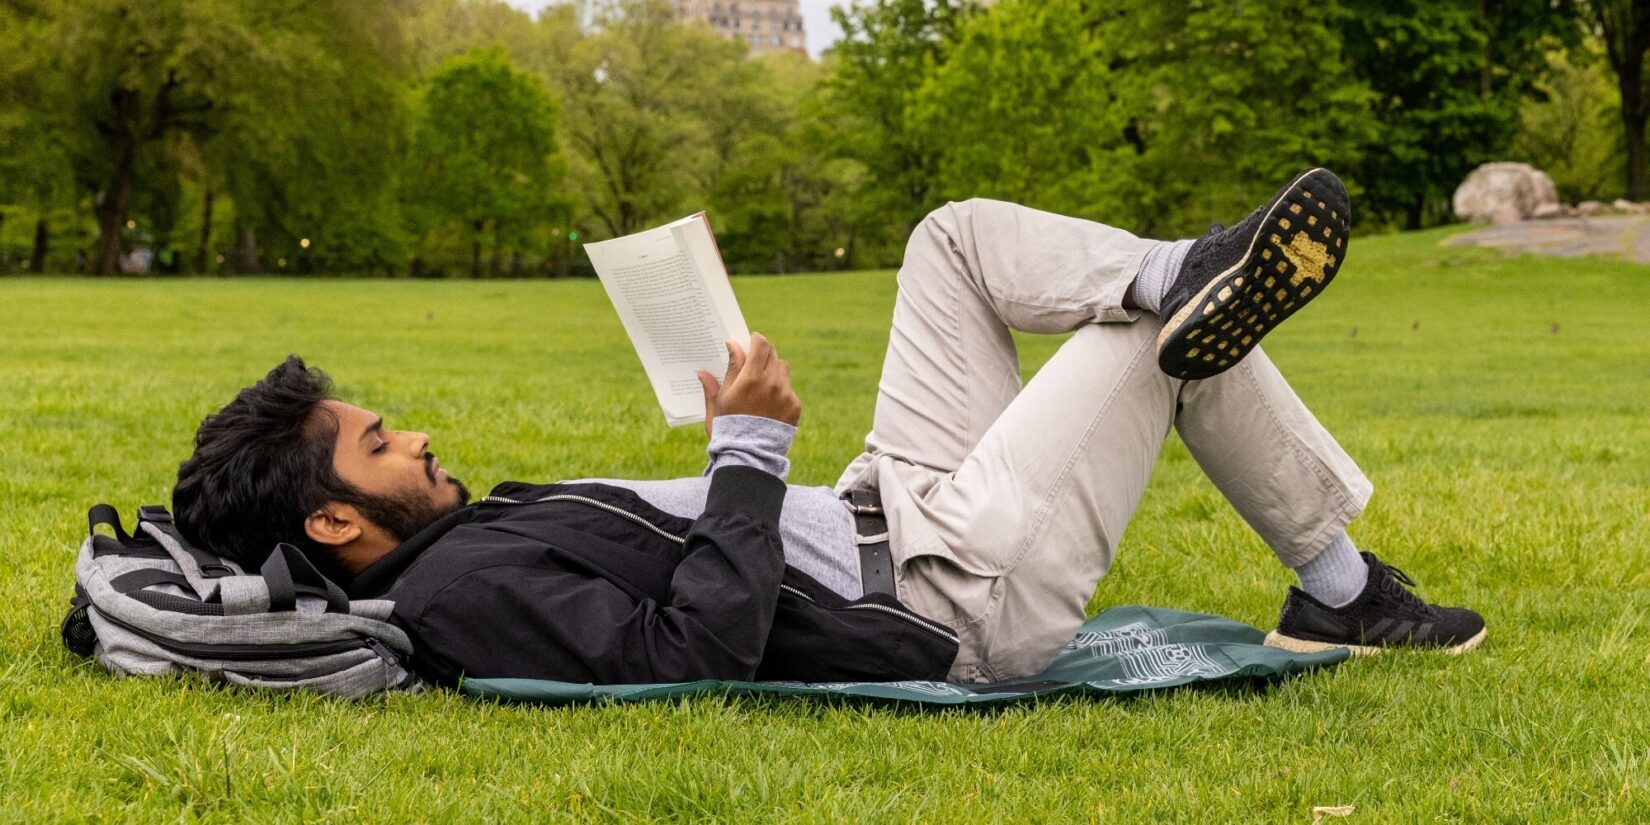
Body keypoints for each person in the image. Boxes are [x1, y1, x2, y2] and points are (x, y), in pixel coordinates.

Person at [171, 168, 1484, 687]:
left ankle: (1177, 269)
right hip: (951, 586)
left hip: (887, 505)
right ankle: (1340, 585)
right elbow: (690, 649)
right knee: (1147, 340)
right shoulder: (457, 591)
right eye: (379, 442)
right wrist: (740, 447)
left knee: (952, 240)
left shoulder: (457, 540)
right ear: (336, 519)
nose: (412, 440)